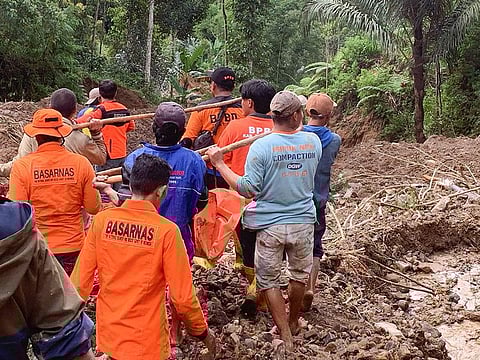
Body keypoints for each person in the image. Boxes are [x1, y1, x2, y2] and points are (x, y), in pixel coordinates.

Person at [206, 91, 322, 351]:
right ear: (295, 115)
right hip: (303, 221)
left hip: (270, 225)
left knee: (268, 281)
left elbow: (247, 188)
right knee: (299, 276)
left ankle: (284, 333)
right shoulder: (314, 142)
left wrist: (220, 164)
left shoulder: (262, 146)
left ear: (272, 115)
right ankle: (293, 321)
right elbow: (300, 130)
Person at [72, 154, 215, 360]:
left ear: (130, 186)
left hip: (110, 337)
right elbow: (182, 298)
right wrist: (202, 332)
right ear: (162, 191)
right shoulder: (166, 231)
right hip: (146, 342)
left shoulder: (102, 221)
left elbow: (79, 284)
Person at [8, 108, 101, 275]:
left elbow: (18, 214)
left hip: (38, 247)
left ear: (35, 136)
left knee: (43, 299)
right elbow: (93, 208)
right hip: (74, 246)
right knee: (69, 297)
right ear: (61, 134)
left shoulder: (22, 167)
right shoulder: (82, 164)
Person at [0, 198, 96, 360]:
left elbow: (17, 195)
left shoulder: (23, 171)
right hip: (40, 250)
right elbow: (93, 206)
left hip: (35, 248)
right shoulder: (13, 227)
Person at [216, 79, 276, 317]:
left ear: (249, 102)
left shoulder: (235, 128)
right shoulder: (280, 128)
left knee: (247, 247)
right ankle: (260, 289)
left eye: (242, 99)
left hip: (242, 200)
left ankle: (254, 288)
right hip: (273, 200)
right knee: (270, 246)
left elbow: (220, 163)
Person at [121, 102, 207, 262]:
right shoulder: (195, 160)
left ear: (153, 128)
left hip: (139, 241)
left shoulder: (135, 158)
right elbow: (202, 201)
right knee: (176, 283)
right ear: (183, 132)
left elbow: (124, 201)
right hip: (178, 240)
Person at [0, 88, 107, 177]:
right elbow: (101, 159)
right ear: (75, 110)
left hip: (36, 196)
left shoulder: (31, 134)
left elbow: (18, 165)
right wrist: (96, 134)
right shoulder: (81, 141)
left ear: (50, 108)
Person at [301, 93, 341, 311]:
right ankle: (310, 287)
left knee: (295, 247)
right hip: (318, 201)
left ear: (307, 112)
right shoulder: (334, 140)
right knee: (315, 247)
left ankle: (293, 286)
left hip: (297, 199)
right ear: (329, 115)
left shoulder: (297, 136)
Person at [180, 67, 244, 188]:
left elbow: (188, 139)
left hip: (210, 170)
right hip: (238, 173)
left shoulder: (201, 109)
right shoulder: (244, 109)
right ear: (233, 86)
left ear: (213, 86)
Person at [78, 79, 134, 175]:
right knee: (118, 184)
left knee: (102, 184)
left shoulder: (101, 110)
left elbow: (82, 121)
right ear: (115, 93)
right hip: (121, 152)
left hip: (107, 155)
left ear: (100, 93)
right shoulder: (124, 109)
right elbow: (131, 126)